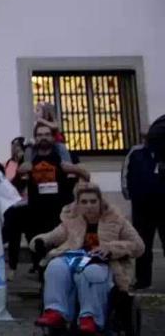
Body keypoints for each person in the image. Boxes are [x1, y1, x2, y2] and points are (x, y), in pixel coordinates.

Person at [31, 182, 144, 333]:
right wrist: (40, 241)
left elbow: (138, 246)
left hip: (105, 263)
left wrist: (111, 248)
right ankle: (55, 312)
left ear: (100, 201)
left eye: (93, 201)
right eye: (84, 202)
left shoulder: (117, 220)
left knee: (90, 272)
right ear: (77, 204)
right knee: (55, 266)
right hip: (76, 260)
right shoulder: (72, 221)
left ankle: (90, 317)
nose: (89, 206)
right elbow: (52, 236)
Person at [19, 123, 90, 269]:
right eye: (39, 135)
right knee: (39, 253)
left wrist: (74, 169)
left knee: (62, 254)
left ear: (53, 137)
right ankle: (42, 278)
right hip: (36, 213)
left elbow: (86, 176)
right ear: (35, 138)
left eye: (47, 134)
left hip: (61, 213)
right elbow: (16, 184)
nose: (43, 138)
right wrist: (20, 171)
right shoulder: (29, 158)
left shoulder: (66, 156)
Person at [121, 132, 165, 289]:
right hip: (141, 206)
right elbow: (125, 173)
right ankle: (143, 280)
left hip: (163, 204)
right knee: (142, 243)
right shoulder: (136, 152)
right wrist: (128, 193)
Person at [3, 136, 32, 279]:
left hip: (26, 205)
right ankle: (12, 268)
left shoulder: (28, 163)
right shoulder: (9, 163)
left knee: (30, 235)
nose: (14, 149)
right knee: (13, 238)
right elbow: (6, 183)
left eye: (17, 146)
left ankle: (36, 264)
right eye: (13, 145)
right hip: (13, 206)